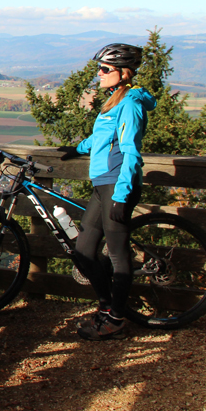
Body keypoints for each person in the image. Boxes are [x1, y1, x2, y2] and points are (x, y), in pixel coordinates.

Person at [57, 43, 156, 340]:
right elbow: (102, 138)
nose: (98, 74)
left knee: (117, 256)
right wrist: (77, 148)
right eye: (98, 68)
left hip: (117, 184)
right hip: (103, 183)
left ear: (124, 73)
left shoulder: (130, 104)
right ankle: (106, 306)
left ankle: (115, 319)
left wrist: (122, 195)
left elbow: (130, 152)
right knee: (84, 251)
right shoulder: (116, 100)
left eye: (104, 69)